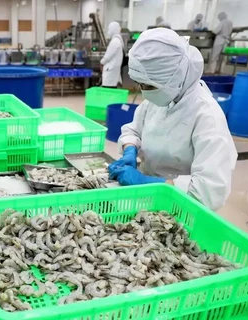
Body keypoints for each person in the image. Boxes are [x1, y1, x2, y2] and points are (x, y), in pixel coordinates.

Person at [108, 28, 237, 211]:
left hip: (182, 208)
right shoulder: (161, 97)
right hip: (145, 200)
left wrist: (149, 183)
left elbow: (209, 191)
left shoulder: (207, 116)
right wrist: (130, 150)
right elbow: (133, 130)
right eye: (140, 84)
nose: (143, 91)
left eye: (148, 85)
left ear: (173, 78)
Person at [100, 21, 124, 88]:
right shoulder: (119, 41)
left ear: (113, 29)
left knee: (108, 89)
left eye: (109, 29)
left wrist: (101, 62)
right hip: (113, 70)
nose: (108, 31)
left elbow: (108, 56)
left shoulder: (115, 41)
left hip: (110, 70)